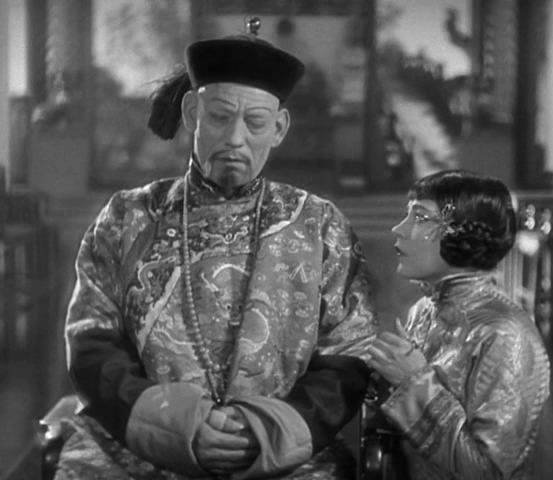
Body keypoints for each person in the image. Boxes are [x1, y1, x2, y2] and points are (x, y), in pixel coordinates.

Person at [57, 18, 375, 480]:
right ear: (191, 114)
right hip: (140, 447)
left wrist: (262, 431)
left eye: (255, 122)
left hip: (277, 451)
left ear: (279, 128)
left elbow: (350, 351)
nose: (235, 138)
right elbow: (91, 340)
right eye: (220, 117)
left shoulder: (320, 225)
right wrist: (176, 426)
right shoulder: (128, 217)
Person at [366, 170, 550, 479]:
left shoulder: (505, 334)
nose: (399, 229)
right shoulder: (424, 310)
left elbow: (488, 472)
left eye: (420, 218)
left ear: (462, 234)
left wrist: (413, 383)